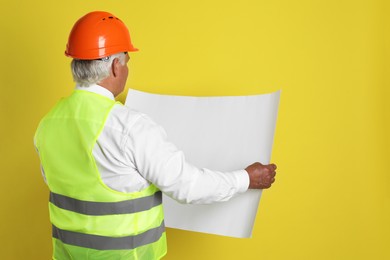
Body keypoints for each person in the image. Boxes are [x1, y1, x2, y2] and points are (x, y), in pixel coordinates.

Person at [34, 11, 277, 260]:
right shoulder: (128, 127)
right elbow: (188, 186)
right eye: (126, 61)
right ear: (116, 67)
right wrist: (246, 179)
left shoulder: (48, 124)